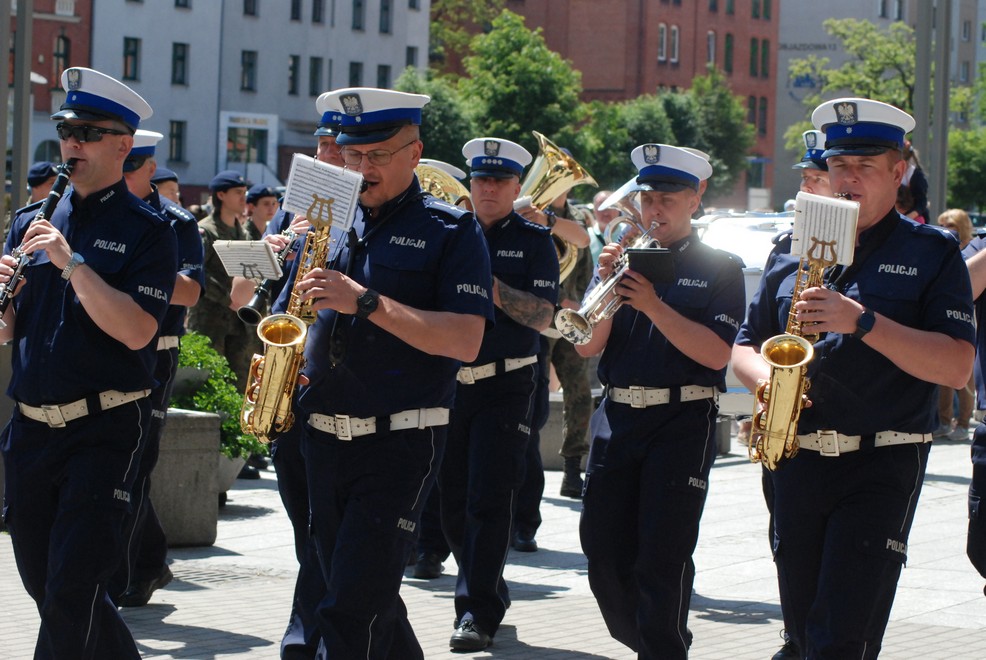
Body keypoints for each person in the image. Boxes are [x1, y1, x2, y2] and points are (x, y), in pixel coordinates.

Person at [732, 98, 976, 658]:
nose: (849, 179)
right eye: (840, 165)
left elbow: (956, 365)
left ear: (898, 172)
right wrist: (768, 383)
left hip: (881, 461)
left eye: (866, 166)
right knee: (801, 636)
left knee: (841, 639)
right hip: (797, 459)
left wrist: (861, 322)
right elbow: (745, 344)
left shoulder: (931, 252)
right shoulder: (791, 249)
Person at [274, 87, 494, 658]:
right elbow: (286, 316)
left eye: (377, 155)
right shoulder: (327, 221)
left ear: (414, 153)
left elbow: (465, 340)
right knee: (363, 600)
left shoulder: (451, 230)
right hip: (320, 438)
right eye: (352, 155)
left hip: (399, 442)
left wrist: (366, 302)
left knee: (349, 610)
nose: (361, 168)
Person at [0, 66, 178, 659]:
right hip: (31, 430)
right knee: (44, 584)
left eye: (87, 133)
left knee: (72, 590)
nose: (71, 143)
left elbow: (138, 330)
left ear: (123, 146)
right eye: (65, 131)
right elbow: (7, 331)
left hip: (103, 428)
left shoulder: (150, 231)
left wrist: (73, 264)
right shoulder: (30, 221)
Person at [574, 143, 745, 658]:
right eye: (647, 199)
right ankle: (658, 642)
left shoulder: (721, 267)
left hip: (681, 420)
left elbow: (716, 354)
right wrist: (604, 282)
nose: (655, 210)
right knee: (602, 553)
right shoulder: (622, 260)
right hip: (617, 416)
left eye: (668, 199)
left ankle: (661, 649)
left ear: (695, 199)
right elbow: (586, 345)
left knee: (661, 557)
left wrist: (650, 305)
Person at [438, 137, 558, 651]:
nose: (489, 188)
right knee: (449, 501)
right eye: (481, 179)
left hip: (507, 382)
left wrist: (487, 286)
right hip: (449, 381)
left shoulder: (534, 242)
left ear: (515, 188)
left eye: (500, 180)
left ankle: (476, 612)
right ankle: (487, 586)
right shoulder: (447, 232)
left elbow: (545, 315)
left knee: (489, 498)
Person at [112, 129, 204, 608]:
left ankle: (132, 570)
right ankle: (147, 561)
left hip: (156, 350)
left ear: (148, 169)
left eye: (130, 169)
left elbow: (190, 291)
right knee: (116, 463)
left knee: (136, 462)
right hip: (105, 348)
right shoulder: (95, 212)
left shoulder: (174, 221)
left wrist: (139, 265)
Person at [186, 170, 253, 392]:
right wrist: (228, 299)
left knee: (238, 383)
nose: (243, 198)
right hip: (210, 320)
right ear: (221, 195)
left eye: (244, 192)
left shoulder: (243, 234)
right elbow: (198, 272)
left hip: (237, 322)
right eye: (238, 193)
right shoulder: (206, 230)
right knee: (207, 382)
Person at [933, 209, 977, 442]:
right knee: (942, 372)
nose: (945, 229)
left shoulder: (972, 249)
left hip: (967, 316)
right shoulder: (939, 249)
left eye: (949, 225)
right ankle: (943, 420)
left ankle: (963, 422)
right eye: (941, 224)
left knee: (964, 376)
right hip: (941, 315)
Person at [589, 189, 617, 265]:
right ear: (594, 211)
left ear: (618, 209)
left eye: (610, 207)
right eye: (601, 207)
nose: (605, 213)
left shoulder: (629, 231)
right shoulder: (585, 236)